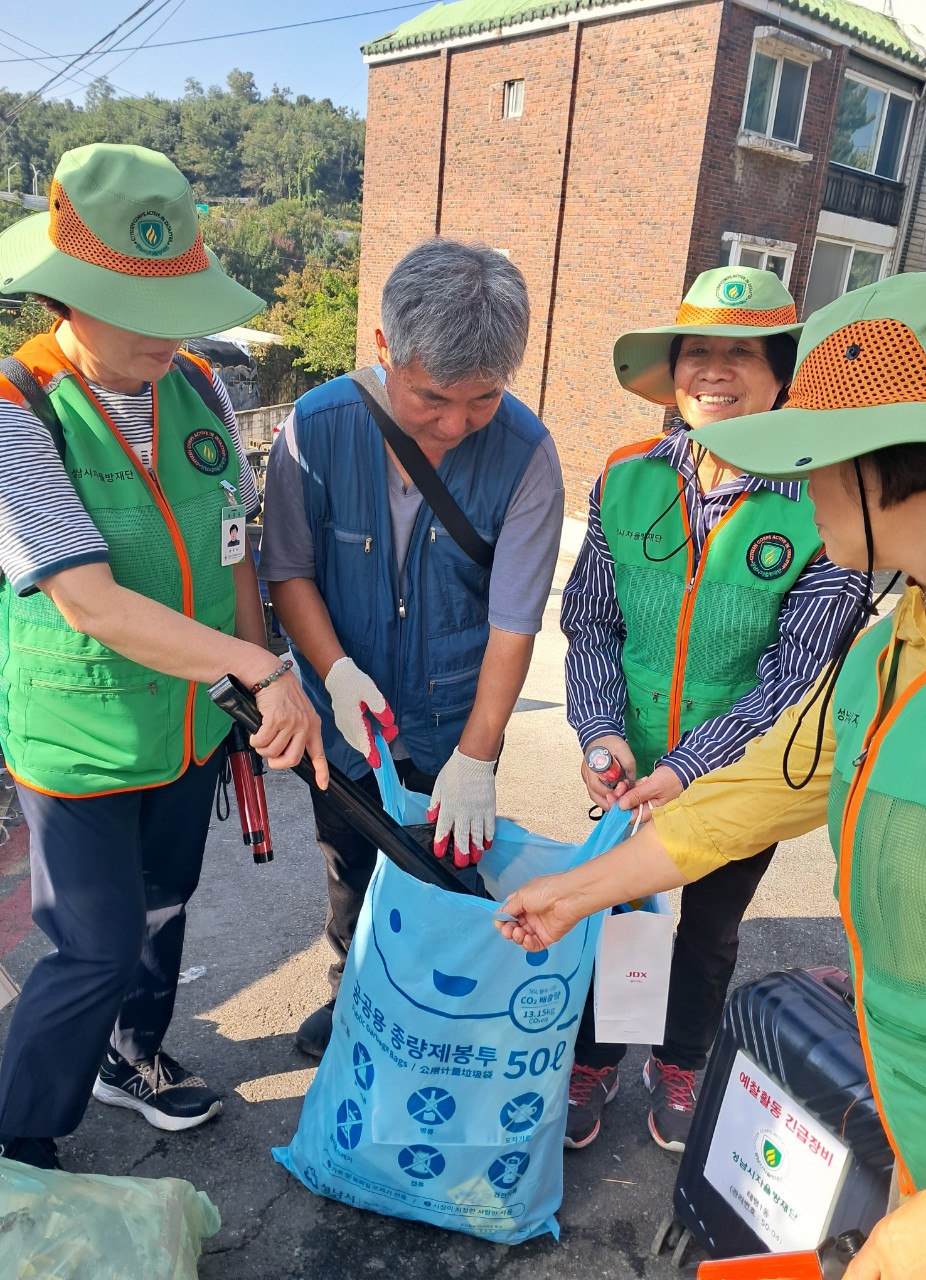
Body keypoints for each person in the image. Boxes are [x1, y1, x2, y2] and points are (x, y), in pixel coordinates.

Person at [497, 271, 926, 1280]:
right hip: (913, 1110)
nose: (793, 483)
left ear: (884, 464)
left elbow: (778, 702)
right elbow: (769, 783)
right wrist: (576, 891)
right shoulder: (903, 641)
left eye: (809, 457)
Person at [0, 144, 326, 1171]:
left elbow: (233, 546)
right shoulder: (17, 407)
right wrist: (258, 667)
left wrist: (259, 673)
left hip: (191, 723)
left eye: (177, 303)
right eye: (132, 306)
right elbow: (89, 599)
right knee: (90, 942)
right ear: (63, 292)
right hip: (78, 732)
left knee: (164, 902)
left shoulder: (202, 393)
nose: (166, 332)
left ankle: (133, 1057)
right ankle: (20, 1127)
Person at [561, 266, 868, 1152]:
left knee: (707, 931)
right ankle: (599, 1056)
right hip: (629, 768)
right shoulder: (627, 477)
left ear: (781, 372)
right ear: (674, 369)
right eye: (698, 351)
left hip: (746, 775)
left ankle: (683, 1058)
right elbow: (589, 621)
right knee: (618, 911)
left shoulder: (822, 501)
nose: (714, 372)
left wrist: (686, 770)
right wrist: (602, 730)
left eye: (741, 353)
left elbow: (793, 676)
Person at [259, 237, 564, 1059]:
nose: (456, 424)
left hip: (457, 718)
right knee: (347, 864)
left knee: (449, 873)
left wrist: (477, 753)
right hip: (346, 716)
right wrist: (335, 670)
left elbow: (514, 621)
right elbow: (288, 572)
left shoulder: (529, 456)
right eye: (433, 398)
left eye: (484, 400)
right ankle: (351, 991)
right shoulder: (315, 429)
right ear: (385, 349)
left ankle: (436, 1013)